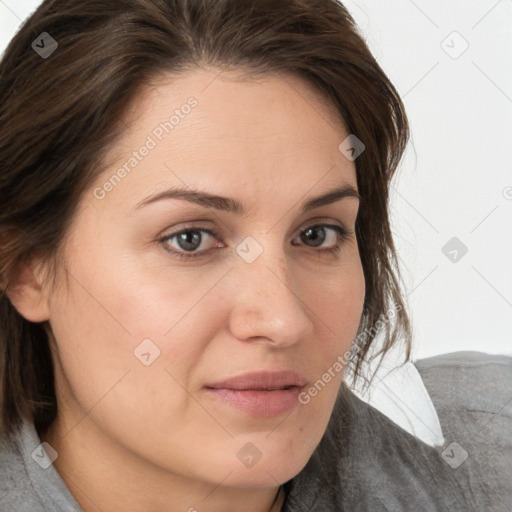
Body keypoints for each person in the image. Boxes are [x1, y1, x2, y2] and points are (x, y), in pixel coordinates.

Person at [0, 0, 510, 510]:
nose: (283, 319)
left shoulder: (488, 454)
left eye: (317, 235)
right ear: (25, 267)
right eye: (190, 239)